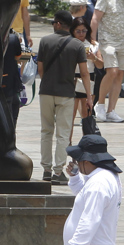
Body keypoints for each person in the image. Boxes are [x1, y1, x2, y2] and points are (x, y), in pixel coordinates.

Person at [39, 12, 91, 185]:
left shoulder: (45, 41)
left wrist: (48, 81)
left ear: (59, 24)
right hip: (66, 93)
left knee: (46, 131)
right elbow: (84, 73)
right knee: (62, 134)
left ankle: (46, 169)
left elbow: (41, 68)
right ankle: (58, 171)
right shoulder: (77, 45)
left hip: (46, 92)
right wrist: (89, 97)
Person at [69, 18, 101, 144]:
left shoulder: (93, 45)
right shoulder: (69, 43)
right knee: (70, 115)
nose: (81, 33)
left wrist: (94, 58)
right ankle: (68, 141)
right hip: (73, 77)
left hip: (89, 78)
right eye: (78, 31)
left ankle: (87, 142)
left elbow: (100, 65)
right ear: (73, 31)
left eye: (84, 31)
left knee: (86, 114)